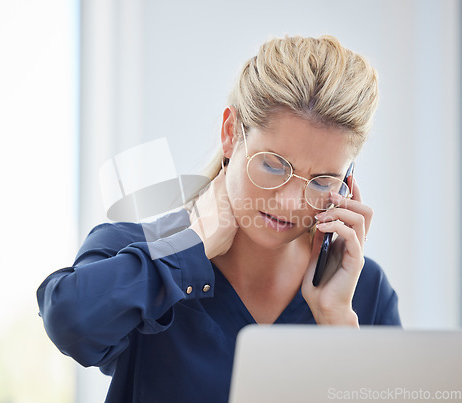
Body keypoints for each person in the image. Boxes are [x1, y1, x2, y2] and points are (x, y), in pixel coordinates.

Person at [37, 34, 401, 402]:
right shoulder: (138, 253)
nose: (292, 202)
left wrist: (336, 320)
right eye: (274, 166)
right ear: (230, 133)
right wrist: (187, 251)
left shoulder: (363, 292)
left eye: (322, 181)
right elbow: (70, 323)